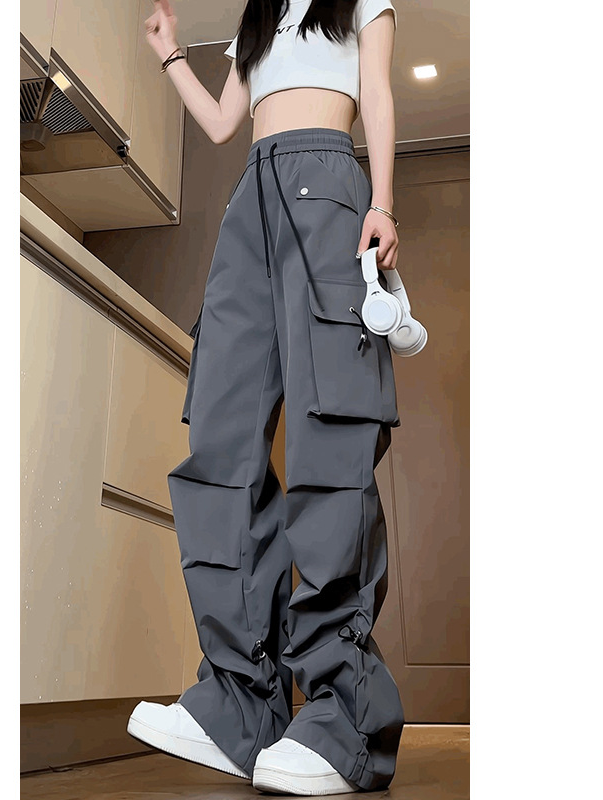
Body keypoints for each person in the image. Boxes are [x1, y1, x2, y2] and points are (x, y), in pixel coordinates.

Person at [127, 0, 404, 794]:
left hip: (329, 184)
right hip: (250, 200)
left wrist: (383, 201)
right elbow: (224, 123)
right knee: (221, 435)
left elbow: (376, 90)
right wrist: (169, 53)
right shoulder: (259, 19)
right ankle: (238, 705)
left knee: (329, 438)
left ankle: (345, 719)